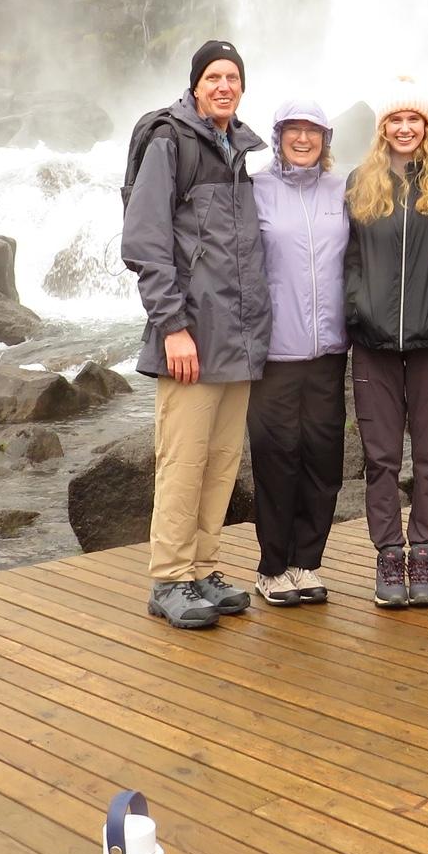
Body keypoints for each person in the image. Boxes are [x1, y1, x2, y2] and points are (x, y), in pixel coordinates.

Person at [120, 40, 272, 630]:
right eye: (213, 77)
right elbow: (146, 243)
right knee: (183, 461)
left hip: (236, 340)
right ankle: (169, 577)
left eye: (233, 77)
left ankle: (203, 567)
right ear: (195, 85)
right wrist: (173, 328)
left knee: (221, 461)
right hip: (190, 338)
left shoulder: (237, 151)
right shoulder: (170, 141)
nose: (224, 86)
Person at [344, 80, 428, 608]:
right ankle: (388, 555)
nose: (404, 128)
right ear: (382, 128)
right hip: (373, 343)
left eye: (413, 119)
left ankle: (423, 553)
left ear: (426, 126)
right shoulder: (361, 181)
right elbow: (349, 258)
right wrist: (358, 309)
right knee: (380, 458)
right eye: (394, 120)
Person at [246, 100, 350, 606]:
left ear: (326, 138)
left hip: (330, 350)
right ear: (278, 136)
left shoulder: (342, 189)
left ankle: (306, 563)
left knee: (324, 460)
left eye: (313, 131)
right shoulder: (256, 189)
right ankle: (272, 568)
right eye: (294, 130)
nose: (303, 139)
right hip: (274, 353)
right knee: (277, 459)